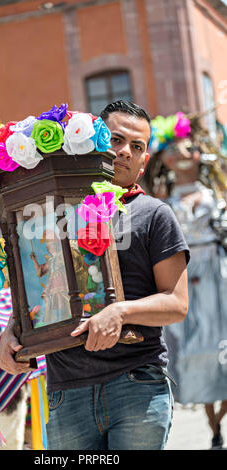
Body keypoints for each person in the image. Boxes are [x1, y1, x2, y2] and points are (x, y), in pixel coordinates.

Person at [0, 100, 190, 450]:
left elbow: (176, 303)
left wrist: (120, 311)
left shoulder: (154, 215)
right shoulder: (53, 209)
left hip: (136, 386)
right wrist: (14, 332)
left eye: (137, 147)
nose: (125, 152)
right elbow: (42, 282)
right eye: (116, 139)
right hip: (66, 391)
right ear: (94, 140)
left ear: (145, 161)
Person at [151, 136, 227, 450]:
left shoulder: (215, 196)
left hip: (217, 276)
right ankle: (214, 428)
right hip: (184, 274)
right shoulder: (162, 203)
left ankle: (217, 424)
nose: (181, 155)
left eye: (188, 149)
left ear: (200, 156)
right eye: (172, 150)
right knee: (193, 347)